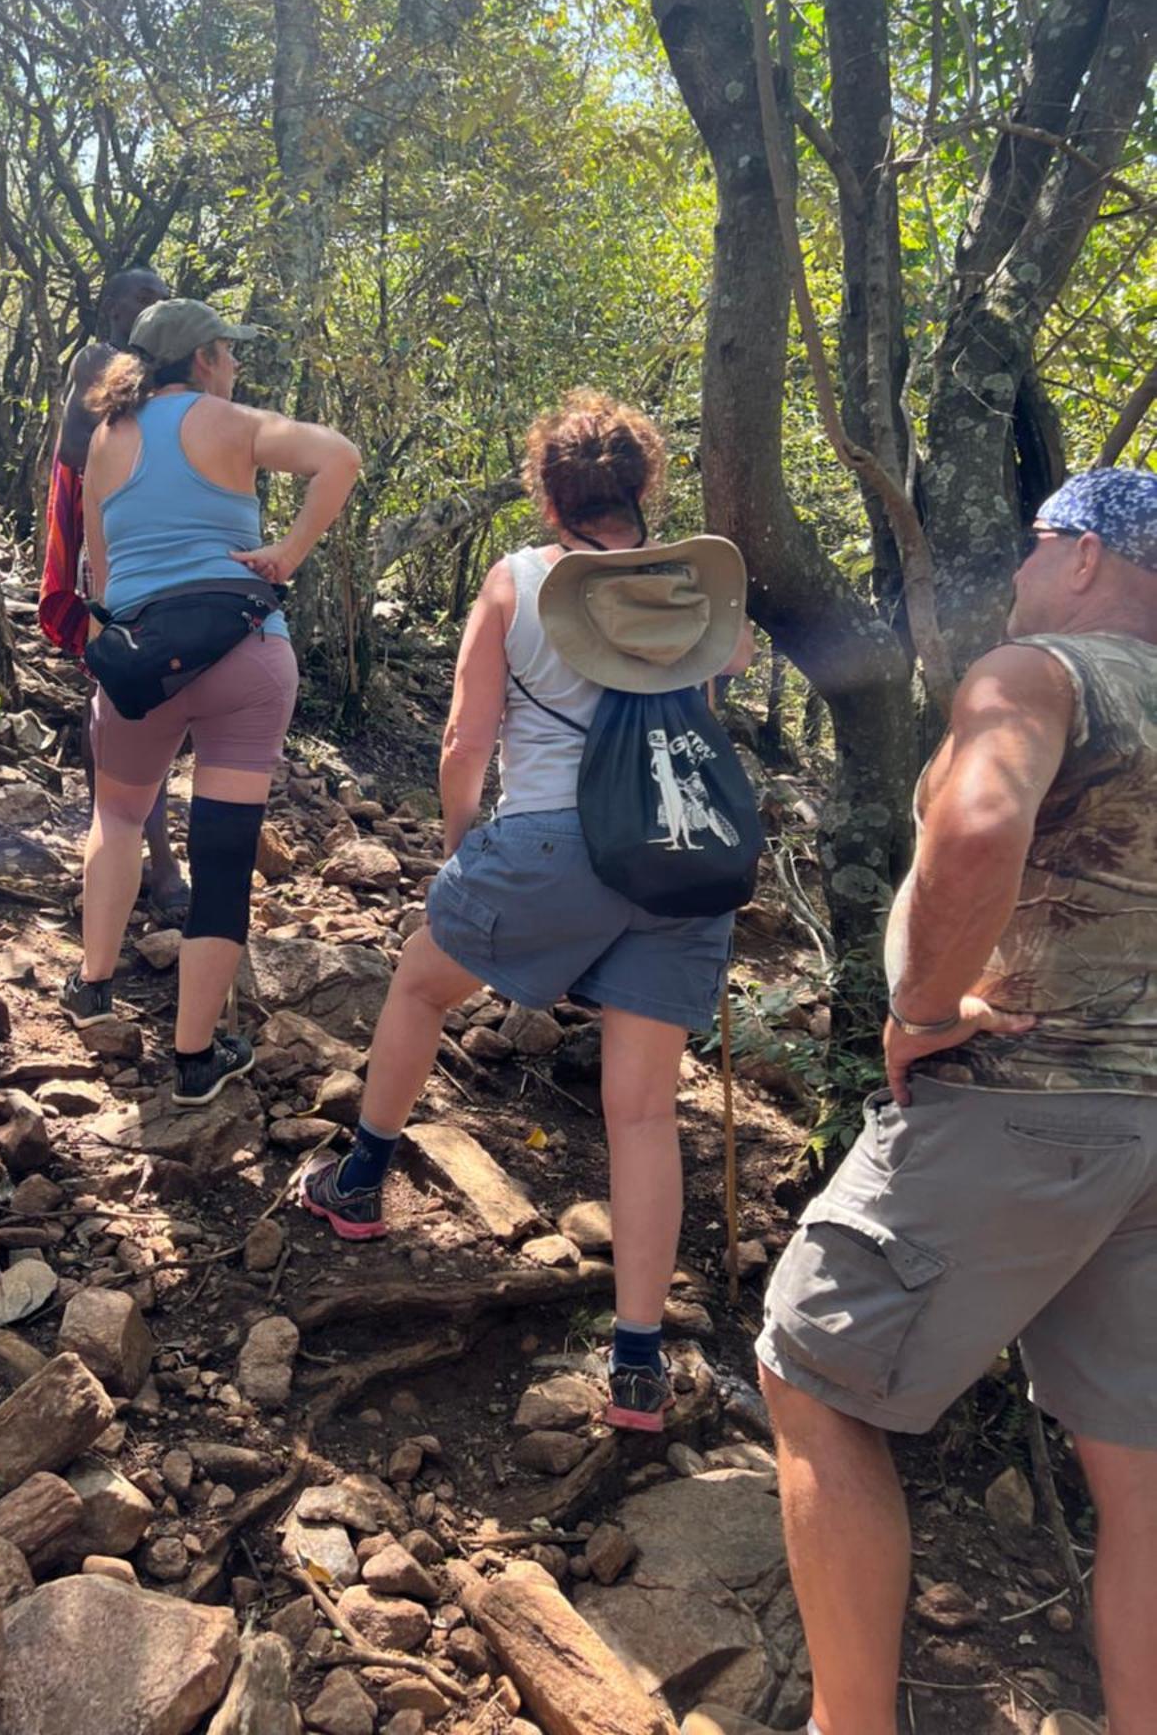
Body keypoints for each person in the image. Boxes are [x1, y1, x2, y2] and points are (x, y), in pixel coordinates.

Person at [755, 468, 1157, 1735]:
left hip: (1021, 1104)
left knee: (811, 1374)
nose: (1028, 568)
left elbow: (980, 828)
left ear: (1087, 552)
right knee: (1141, 1479)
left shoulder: (1041, 672)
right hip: (1149, 1126)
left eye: (1042, 541)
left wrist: (923, 1009)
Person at [300, 390, 752, 1432]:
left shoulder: (519, 580)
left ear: (548, 492)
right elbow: (702, 716)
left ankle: (362, 1179)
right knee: (642, 1109)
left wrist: (463, 842)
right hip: (682, 860)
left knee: (420, 980)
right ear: (647, 486)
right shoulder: (698, 587)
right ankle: (637, 1367)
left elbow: (467, 738)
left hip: (551, 844)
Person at [62, 297, 361, 1106]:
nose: (234, 365)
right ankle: (195, 1057)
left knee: (118, 818)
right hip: (244, 650)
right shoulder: (230, 422)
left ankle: (93, 986)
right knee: (224, 856)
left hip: (138, 663)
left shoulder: (105, 438)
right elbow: (340, 457)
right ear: (202, 359)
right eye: (229, 352)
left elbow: (97, 568)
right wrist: (287, 554)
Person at [39, 265, 189, 917]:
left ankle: (120, 841)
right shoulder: (100, 359)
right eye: (142, 298)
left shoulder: (162, 373)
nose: (153, 310)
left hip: (148, 545)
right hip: (111, 553)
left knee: (124, 697)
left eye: (164, 300)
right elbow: (75, 446)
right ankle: (154, 862)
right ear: (110, 305)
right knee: (129, 694)